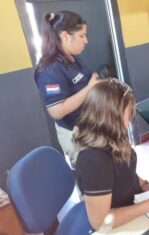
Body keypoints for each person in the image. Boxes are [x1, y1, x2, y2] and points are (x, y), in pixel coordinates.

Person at [73, 79, 149, 232]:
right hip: (117, 222)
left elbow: (126, 170)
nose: (130, 119)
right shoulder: (94, 161)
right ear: (112, 117)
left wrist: (146, 186)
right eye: (129, 113)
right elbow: (101, 223)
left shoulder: (114, 136)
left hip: (132, 204)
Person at [34, 11, 101, 167]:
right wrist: (90, 87)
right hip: (75, 133)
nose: (86, 40)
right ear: (65, 36)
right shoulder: (49, 69)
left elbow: (82, 83)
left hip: (90, 125)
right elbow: (57, 111)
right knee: (92, 175)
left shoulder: (71, 58)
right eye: (82, 35)